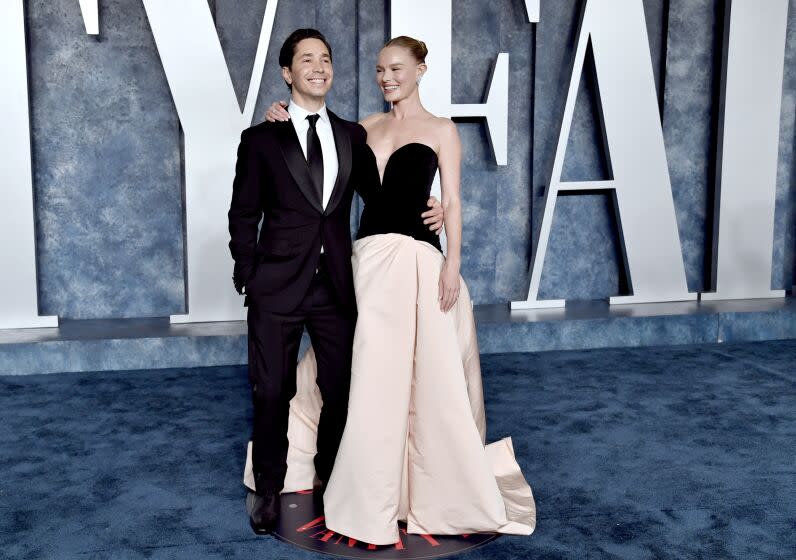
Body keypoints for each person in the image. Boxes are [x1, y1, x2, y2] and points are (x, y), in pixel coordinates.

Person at [262, 36, 536, 545]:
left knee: (418, 380)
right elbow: (315, 154)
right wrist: (283, 117)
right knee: (351, 370)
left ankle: (413, 489)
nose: (386, 78)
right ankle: (344, 472)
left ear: (420, 70)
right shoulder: (361, 127)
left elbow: (451, 201)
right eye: (380, 70)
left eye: (396, 69)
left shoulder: (441, 130)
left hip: (416, 263)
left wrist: (452, 264)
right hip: (363, 262)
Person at [227, 29, 444, 535]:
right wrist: (249, 275)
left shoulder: (352, 135)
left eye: (325, 58)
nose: (319, 66)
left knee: (341, 389)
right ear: (287, 72)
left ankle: (330, 480)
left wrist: (435, 206)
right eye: (307, 59)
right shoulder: (262, 138)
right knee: (271, 390)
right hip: (276, 288)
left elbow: (384, 195)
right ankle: (268, 487)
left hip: (337, 288)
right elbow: (243, 213)